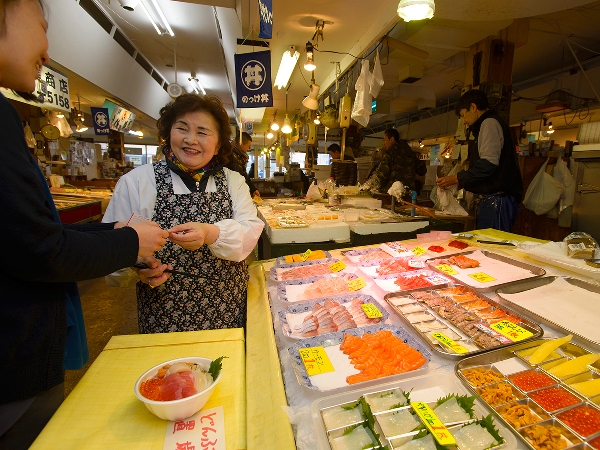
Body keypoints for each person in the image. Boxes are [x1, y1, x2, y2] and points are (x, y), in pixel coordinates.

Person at [0, 0, 169, 447]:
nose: (46, 46)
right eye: (41, 25)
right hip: (10, 360)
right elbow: (41, 249)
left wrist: (115, 236)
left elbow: (31, 236)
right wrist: (131, 241)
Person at [103, 94, 264, 333]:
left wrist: (210, 233)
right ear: (169, 134)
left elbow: (249, 232)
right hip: (164, 312)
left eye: (202, 132)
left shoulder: (234, 181)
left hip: (228, 309)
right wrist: (137, 267)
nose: (191, 140)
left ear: (218, 143)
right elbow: (109, 252)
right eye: (182, 128)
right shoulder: (136, 182)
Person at [436, 89, 522, 231]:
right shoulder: (487, 125)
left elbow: (488, 164)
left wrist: (457, 178)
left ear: (473, 107)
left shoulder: (489, 123)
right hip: (494, 200)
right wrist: (463, 182)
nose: (464, 121)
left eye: (464, 115)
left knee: (493, 245)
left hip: (498, 201)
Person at [365, 128, 425, 194]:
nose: (384, 143)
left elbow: (381, 175)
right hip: (408, 193)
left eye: (385, 140)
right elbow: (422, 170)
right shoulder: (410, 153)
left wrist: (367, 186)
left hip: (393, 193)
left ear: (392, 139)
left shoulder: (390, 153)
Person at [227, 131, 260, 197]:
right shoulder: (228, 154)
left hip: (238, 193)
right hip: (232, 195)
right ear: (240, 143)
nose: (248, 149)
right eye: (248, 146)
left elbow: (244, 174)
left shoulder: (240, 156)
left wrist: (253, 189)